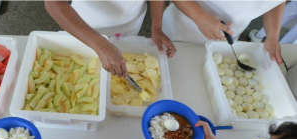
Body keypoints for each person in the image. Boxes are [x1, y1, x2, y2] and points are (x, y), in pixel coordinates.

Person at [44, 0, 176, 78]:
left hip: (130, 24)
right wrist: (101, 45)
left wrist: (157, 27)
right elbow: (54, 4)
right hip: (84, 26)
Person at [162, 0, 286, 64]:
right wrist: (199, 16)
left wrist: (272, 36)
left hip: (227, 38)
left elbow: (275, 2)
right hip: (182, 27)